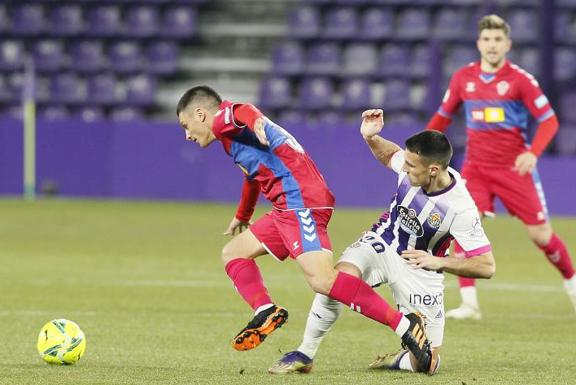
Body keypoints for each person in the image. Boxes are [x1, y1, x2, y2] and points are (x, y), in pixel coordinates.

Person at [176, 86, 434, 372]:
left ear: (200, 114)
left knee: (323, 280)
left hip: (301, 201)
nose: (187, 134)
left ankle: (404, 324)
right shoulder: (230, 140)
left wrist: (258, 121)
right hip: (285, 207)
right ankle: (265, 311)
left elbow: (241, 111)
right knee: (234, 253)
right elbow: (252, 177)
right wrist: (243, 214)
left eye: (186, 126)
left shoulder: (224, 118)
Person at [268, 109, 495, 375]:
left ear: (433, 170)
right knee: (334, 281)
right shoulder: (412, 166)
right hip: (383, 242)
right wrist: (371, 138)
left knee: (428, 364)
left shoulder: (460, 208)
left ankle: (397, 360)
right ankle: (305, 353)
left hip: (421, 267)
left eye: (411, 166)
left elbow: (486, 266)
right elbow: (390, 154)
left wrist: (438, 261)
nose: (404, 168)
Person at [426, 14, 576, 320]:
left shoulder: (520, 80)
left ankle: (572, 284)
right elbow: (442, 118)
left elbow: (549, 120)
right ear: (478, 43)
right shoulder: (462, 79)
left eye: (497, 40)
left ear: (507, 44)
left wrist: (533, 152)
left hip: (513, 170)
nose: (492, 45)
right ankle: (469, 304)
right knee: (461, 228)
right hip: (476, 169)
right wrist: (421, 149)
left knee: (542, 236)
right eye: (486, 39)